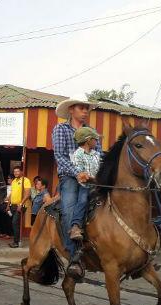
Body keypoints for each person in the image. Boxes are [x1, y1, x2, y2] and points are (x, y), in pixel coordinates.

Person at [52, 94, 99, 278]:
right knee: (69, 206)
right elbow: (60, 157)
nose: (85, 111)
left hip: (91, 176)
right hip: (69, 177)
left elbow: (98, 154)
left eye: (87, 108)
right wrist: (77, 172)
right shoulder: (60, 129)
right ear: (71, 110)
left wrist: (96, 174)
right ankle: (74, 257)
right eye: (81, 108)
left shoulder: (92, 131)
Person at [69, 126, 102, 240]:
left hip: (98, 186)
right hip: (85, 186)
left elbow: (101, 169)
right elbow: (81, 175)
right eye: (95, 139)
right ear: (88, 140)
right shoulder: (77, 154)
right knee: (82, 200)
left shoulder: (96, 154)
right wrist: (93, 179)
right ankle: (75, 226)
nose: (97, 141)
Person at [6, 166, 31, 248]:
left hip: (21, 205)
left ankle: (16, 242)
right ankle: (15, 240)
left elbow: (28, 194)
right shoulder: (13, 181)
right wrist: (8, 205)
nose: (16, 173)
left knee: (15, 222)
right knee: (14, 223)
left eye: (17, 171)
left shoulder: (25, 180)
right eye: (14, 171)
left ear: (21, 172)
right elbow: (11, 194)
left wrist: (21, 204)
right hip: (12, 205)